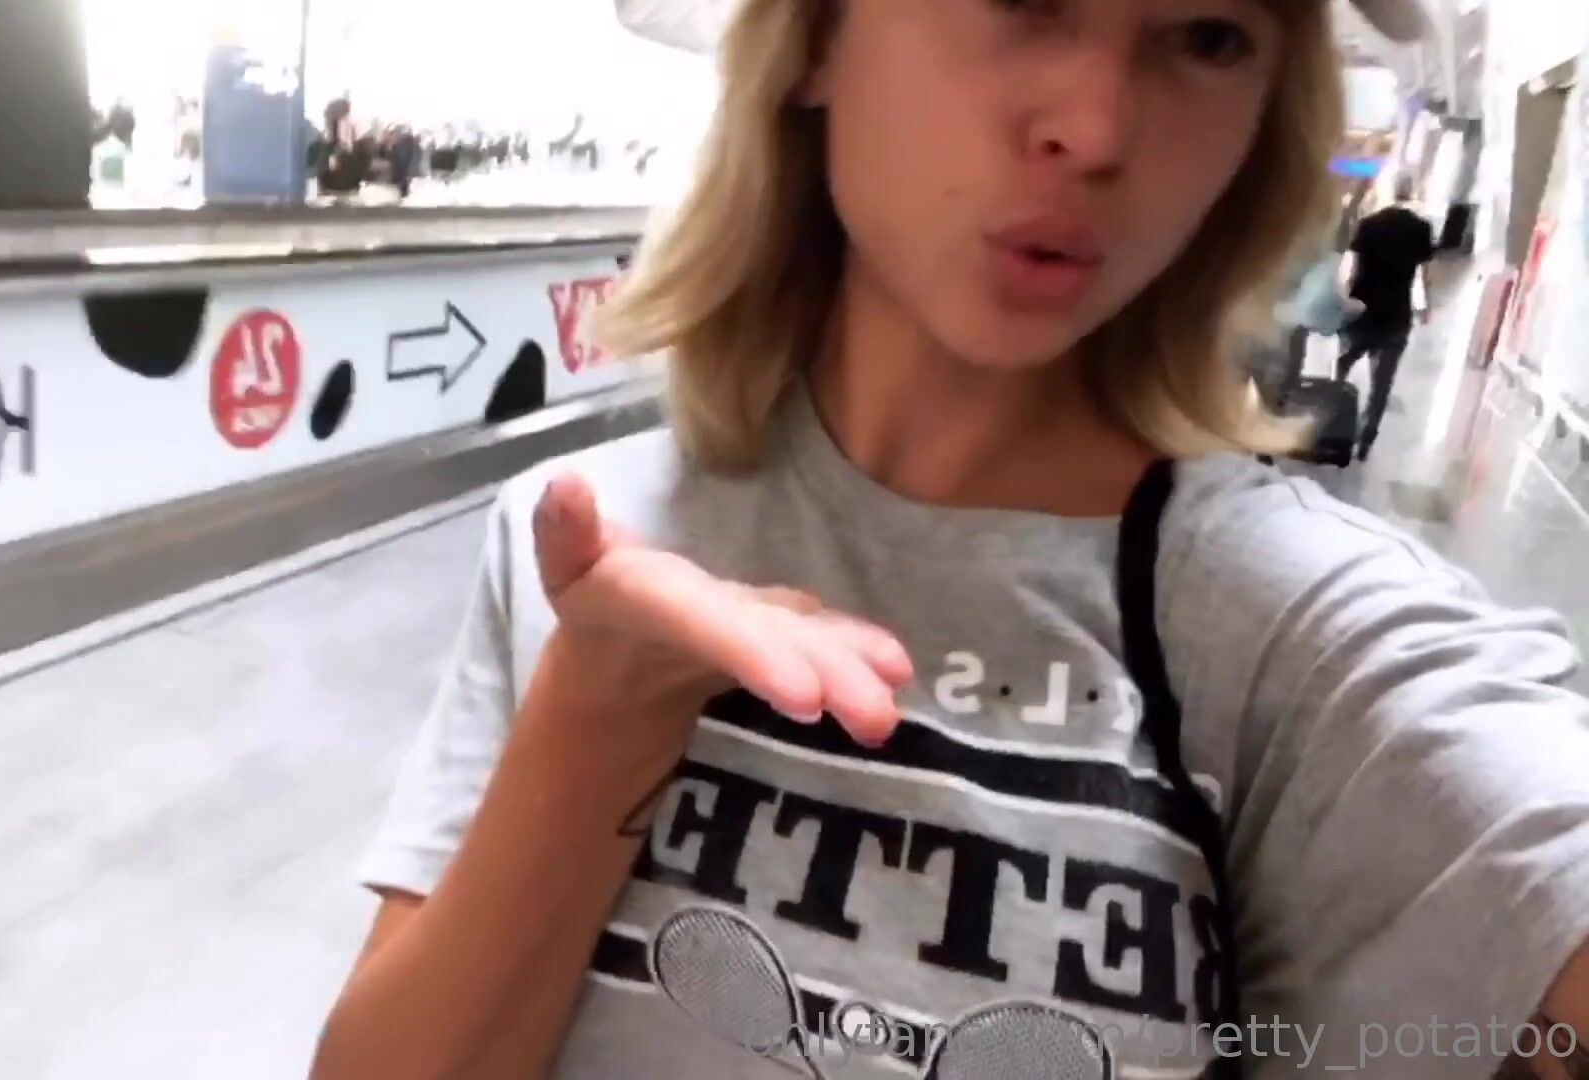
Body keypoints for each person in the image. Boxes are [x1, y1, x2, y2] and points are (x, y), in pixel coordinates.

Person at [316, 2, 1589, 1078]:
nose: (1098, 128)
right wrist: (598, 712)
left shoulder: (1291, 638)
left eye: (1209, 36)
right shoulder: (589, 540)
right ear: (816, 39)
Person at [1334, 177, 1438, 461]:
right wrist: (1427, 305)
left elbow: (1354, 272)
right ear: (1414, 195)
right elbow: (1425, 275)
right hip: (1396, 315)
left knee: (1341, 365)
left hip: (1361, 311)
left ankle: (1332, 420)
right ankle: (1366, 440)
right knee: (1381, 385)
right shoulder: (1421, 228)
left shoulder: (1369, 224)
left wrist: (1345, 301)